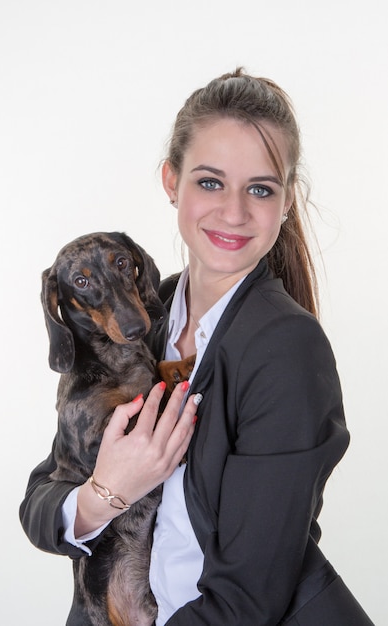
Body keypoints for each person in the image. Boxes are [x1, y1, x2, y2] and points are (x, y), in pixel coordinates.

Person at [20, 68, 374, 625]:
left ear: (285, 202)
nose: (234, 212)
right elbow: (42, 499)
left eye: (260, 189)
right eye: (210, 182)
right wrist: (104, 494)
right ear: (171, 181)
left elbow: (247, 599)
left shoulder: (288, 348)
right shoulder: (140, 324)